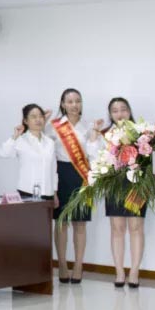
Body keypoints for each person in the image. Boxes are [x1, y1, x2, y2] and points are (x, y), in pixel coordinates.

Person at [46, 88, 102, 284]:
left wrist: (96, 134)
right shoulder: (53, 126)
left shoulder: (89, 126)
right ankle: (62, 264)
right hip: (60, 174)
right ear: (62, 104)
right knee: (61, 222)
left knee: (80, 223)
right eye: (69, 101)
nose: (74, 105)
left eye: (77, 101)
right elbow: (45, 152)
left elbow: (94, 154)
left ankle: (78, 265)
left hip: (82, 176)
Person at [0, 103, 59, 266]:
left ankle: (42, 270)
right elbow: (4, 153)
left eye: (40, 116)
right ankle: (25, 268)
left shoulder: (50, 142)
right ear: (25, 120)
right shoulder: (21, 140)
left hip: (46, 193)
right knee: (27, 234)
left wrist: (55, 192)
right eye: (33, 117)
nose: (38, 120)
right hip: (26, 193)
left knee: (44, 235)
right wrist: (14, 136)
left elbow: (54, 169)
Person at [103, 97, 145, 288]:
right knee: (117, 228)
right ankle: (119, 272)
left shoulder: (142, 132)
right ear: (110, 114)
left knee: (136, 228)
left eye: (123, 109)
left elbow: (154, 159)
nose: (120, 114)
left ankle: (134, 272)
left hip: (136, 185)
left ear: (129, 111)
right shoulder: (106, 135)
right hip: (114, 185)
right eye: (115, 110)